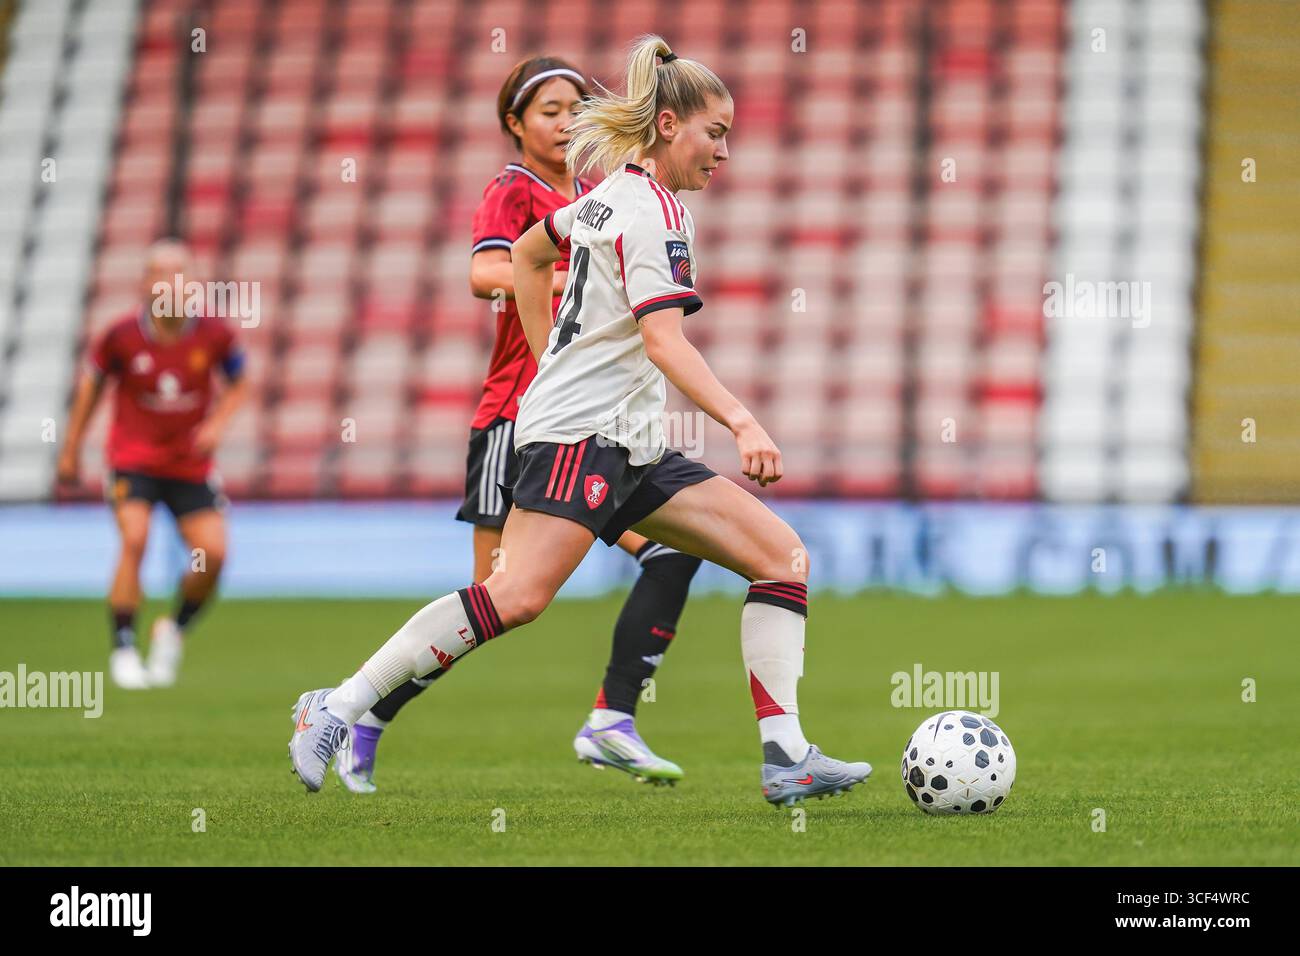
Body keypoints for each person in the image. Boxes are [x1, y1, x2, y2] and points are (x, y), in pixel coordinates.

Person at [291, 36, 871, 807]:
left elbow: (530, 260)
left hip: (626, 440)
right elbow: (663, 339)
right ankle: (336, 708)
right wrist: (742, 421)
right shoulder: (653, 213)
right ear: (669, 126)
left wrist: (545, 358)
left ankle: (786, 755)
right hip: (581, 436)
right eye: (716, 132)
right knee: (515, 597)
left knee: (780, 556)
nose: (725, 152)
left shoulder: (600, 198)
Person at [332, 55, 700, 793]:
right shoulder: (514, 190)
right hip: (518, 417)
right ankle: (359, 712)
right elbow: (487, 274)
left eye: (575, 109)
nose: (566, 123)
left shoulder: (599, 193)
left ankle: (613, 720)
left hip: (593, 427)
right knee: (500, 599)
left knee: (666, 552)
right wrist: (589, 277)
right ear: (515, 124)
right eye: (548, 111)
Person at [58, 239, 246, 689]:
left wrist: (218, 422)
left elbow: (240, 383)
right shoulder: (120, 337)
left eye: (181, 274)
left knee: (212, 555)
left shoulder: (215, 336)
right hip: (133, 462)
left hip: (189, 467)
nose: (172, 284)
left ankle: (173, 630)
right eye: (162, 273)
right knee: (135, 538)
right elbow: (91, 389)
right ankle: (124, 645)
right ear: (146, 283)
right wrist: (70, 448)